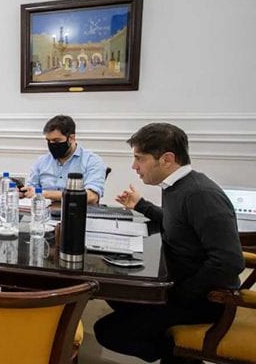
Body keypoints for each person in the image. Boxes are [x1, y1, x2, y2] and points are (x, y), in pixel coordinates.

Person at [94, 123, 244, 363]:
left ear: (166, 159)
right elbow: (180, 224)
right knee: (119, 294)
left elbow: (228, 260)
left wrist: (181, 294)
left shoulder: (200, 194)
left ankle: (180, 353)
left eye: (139, 159)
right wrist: (141, 205)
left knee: (108, 331)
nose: (134, 167)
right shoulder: (177, 187)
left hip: (206, 299)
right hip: (181, 285)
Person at [24, 115, 106, 204]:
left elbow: (91, 196)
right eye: (48, 141)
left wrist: (45, 194)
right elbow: (31, 190)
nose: (52, 144)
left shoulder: (92, 161)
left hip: (76, 213)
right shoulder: (42, 161)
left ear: (71, 138)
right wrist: (22, 192)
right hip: (44, 213)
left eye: (56, 141)